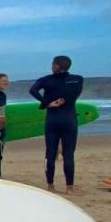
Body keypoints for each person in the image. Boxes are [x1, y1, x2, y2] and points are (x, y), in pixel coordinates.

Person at [29, 55, 84, 194]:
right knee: (69, 154)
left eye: (53, 64)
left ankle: (50, 186)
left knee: (50, 153)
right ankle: (69, 188)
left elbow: (33, 90)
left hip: (53, 119)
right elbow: (75, 95)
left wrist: (47, 103)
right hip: (69, 119)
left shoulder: (46, 80)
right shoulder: (78, 79)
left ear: (56, 65)